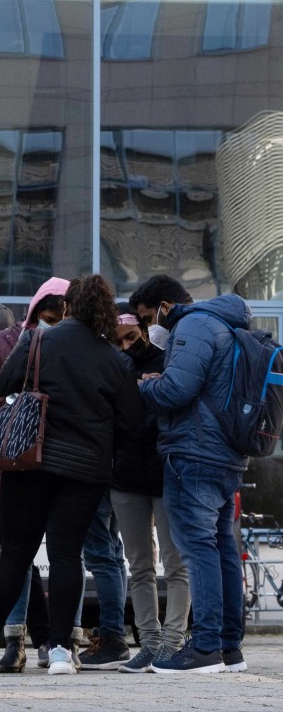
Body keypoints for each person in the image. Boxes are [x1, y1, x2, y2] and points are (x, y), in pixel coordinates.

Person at [0, 275, 145, 676]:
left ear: (69, 306)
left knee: (17, 555)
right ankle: (59, 650)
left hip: (32, 464)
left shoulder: (38, 342)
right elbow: (131, 422)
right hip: (86, 472)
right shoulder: (113, 358)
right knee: (66, 555)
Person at [139, 289, 250, 674]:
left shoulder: (193, 324)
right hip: (227, 454)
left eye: (148, 315)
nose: (150, 326)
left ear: (164, 307)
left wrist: (146, 384)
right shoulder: (229, 326)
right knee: (221, 548)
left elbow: (177, 390)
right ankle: (229, 648)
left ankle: (204, 649)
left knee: (199, 548)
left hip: (194, 453)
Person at [0, 276, 68, 671]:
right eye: (48, 315)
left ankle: (48, 641)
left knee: (42, 557)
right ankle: (18, 641)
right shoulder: (7, 341)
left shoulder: (77, 346)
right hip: (12, 465)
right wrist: (18, 397)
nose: (53, 323)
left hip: (58, 464)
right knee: (16, 557)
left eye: (61, 317)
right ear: (35, 310)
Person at [111, 307, 190, 673]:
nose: (126, 346)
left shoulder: (166, 360)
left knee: (175, 563)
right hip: (125, 476)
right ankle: (150, 641)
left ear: (143, 330)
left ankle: (172, 642)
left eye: (131, 337)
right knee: (139, 565)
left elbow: (178, 406)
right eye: (119, 341)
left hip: (163, 474)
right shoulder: (111, 365)